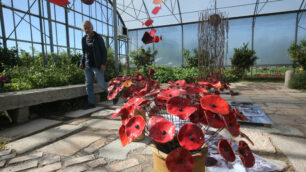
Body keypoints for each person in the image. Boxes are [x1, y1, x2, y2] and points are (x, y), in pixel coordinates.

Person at [80, 20, 118, 109]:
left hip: (97, 65)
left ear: (92, 28)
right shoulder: (83, 39)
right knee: (88, 84)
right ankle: (91, 103)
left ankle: (114, 95)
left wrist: (103, 63)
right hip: (87, 65)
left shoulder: (98, 38)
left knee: (101, 82)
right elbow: (84, 52)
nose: (87, 30)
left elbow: (104, 51)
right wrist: (82, 62)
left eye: (88, 28)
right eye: (85, 28)